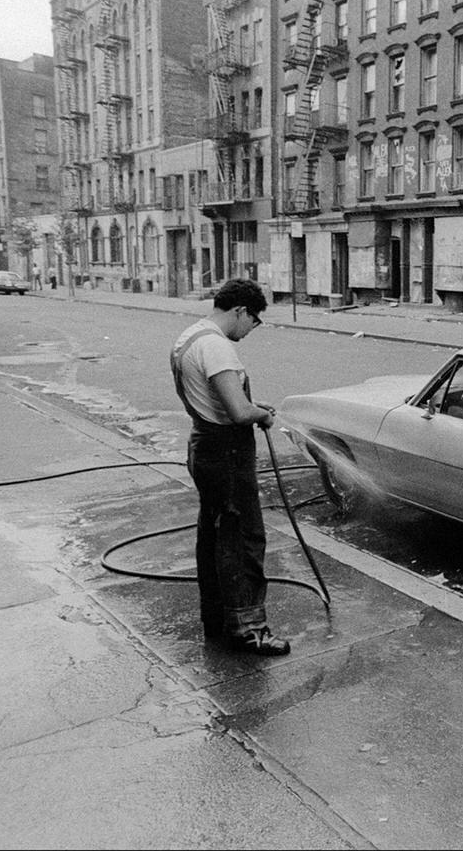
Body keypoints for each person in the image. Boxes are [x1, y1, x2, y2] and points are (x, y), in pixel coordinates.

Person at [169, 279, 289, 656]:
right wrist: (260, 415)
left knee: (215, 536)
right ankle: (249, 629)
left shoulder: (189, 337)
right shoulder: (216, 346)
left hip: (204, 445)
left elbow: (220, 399)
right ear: (239, 310)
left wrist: (254, 405)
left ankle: (218, 619)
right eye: (253, 319)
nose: (252, 328)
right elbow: (238, 412)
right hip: (227, 454)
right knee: (243, 539)